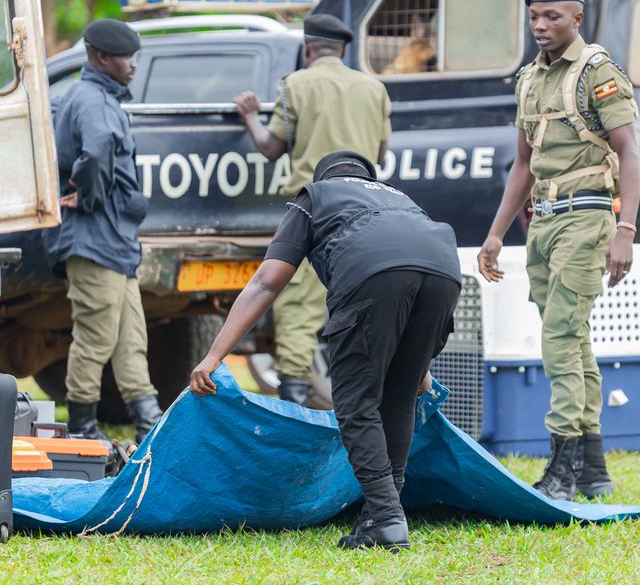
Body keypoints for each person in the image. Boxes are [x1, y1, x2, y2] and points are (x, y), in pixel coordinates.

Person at [189, 150, 461, 551]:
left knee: (356, 404)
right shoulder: (399, 198)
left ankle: (386, 519)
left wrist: (214, 357)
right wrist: (418, 365)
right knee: (399, 398)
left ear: (324, 177)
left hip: (374, 270)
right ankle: (378, 515)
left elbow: (267, 282)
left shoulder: (315, 196)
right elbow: (415, 264)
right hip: (445, 272)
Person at [477, 0, 640, 501]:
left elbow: (631, 152)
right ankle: (593, 469)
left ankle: (562, 469)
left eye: (552, 17)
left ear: (577, 18)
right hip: (543, 222)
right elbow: (522, 164)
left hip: (588, 216)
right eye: (534, 19)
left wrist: (626, 230)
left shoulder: (598, 74)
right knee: (572, 338)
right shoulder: (529, 79)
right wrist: (495, 235)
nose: (541, 27)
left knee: (560, 340)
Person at [234, 13, 392, 405]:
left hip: (315, 208)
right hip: (368, 208)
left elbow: (272, 148)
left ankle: (294, 396)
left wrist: (251, 116)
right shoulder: (374, 88)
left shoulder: (295, 85)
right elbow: (379, 154)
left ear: (308, 48)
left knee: (299, 306)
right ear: (343, 50)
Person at [45, 18, 163, 443]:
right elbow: (95, 153)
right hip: (93, 239)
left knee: (131, 338)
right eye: (125, 57)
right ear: (99, 58)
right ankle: (81, 429)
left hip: (113, 240)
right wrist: (88, 196)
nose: (133, 65)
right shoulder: (92, 99)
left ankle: (149, 423)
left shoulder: (100, 97)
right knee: (95, 338)